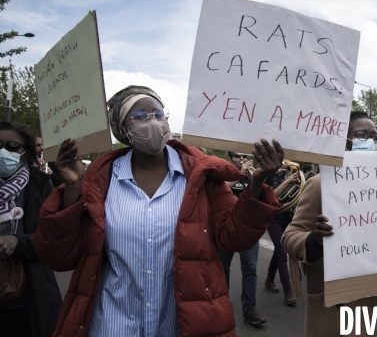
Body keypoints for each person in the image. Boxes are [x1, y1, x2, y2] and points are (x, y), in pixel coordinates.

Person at [32, 86, 284, 336]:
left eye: (158, 114)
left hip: (180, 324)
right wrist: (73, 189)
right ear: (123, 130)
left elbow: (235, 236)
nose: (152, 122)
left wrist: (256, 181)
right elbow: (58, 257)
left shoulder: (201, 177)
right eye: (140, 116)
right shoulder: (99, 182)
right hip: (112, 324)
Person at [281, 111, 377, 336]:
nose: (370, 142)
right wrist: (314, 240)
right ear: (344, 141)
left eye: (375, 137)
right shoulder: (320, 184)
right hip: (341, 307)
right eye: (361, 134)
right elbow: (290, 235)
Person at [0, 121, 61, 337]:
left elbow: (55, 240)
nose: (3, 152)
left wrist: (18, 241)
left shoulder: (41, 186)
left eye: (12, 146)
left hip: (27, 300)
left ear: (25, 151)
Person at [219, 151, 266, 326]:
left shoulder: (254, 176)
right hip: (227, 228)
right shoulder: (224, 171)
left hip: (248, 229)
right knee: (222, 269)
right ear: (230, 157)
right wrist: (241, 174)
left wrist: (258, 178)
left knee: (250, 269)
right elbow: (219, 190)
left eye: (244, 156)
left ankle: (250, 310)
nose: (242, 159)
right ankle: (222, 305)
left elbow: (261, 198)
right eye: (238, 156)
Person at [264, 164, 300, 306]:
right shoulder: (269, 175)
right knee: (282, 252)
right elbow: (271, 196)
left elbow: (299, 195)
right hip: (274, 218)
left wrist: (297, 185)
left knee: (280, 250)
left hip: (288, 216)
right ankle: (288, 291)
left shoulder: (291, 173)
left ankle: (269, 279)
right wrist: (286, 182)